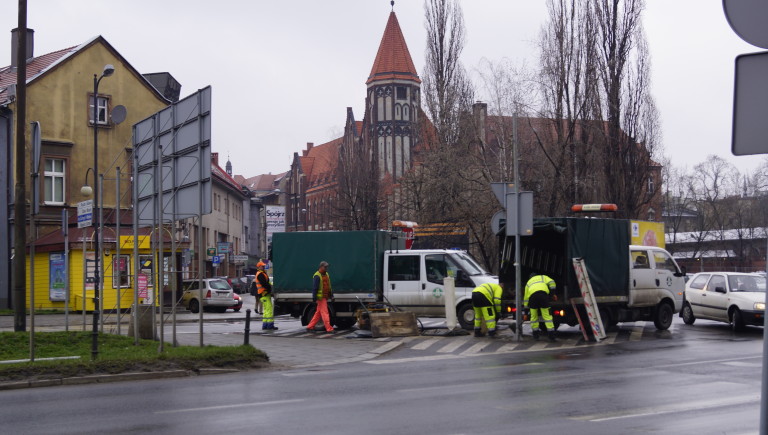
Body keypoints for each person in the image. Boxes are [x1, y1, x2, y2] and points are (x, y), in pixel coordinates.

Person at [524, 272, 557, 341]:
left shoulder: (528, 283)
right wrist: (552, 294)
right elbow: (552, 282)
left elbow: (526, 298)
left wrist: (526, 313)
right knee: (547, 316)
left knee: (534, 316)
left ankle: (535, 335)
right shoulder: (543, 277)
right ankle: (551, 335)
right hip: (543, 296)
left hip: (533, 298)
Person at [307, 261, 335, 333]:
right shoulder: (317, 275)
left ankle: (310, 327)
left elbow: (329, 286)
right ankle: (329, 328)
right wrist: (314, 297)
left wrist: (331, 295)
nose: (326, 268)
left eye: (327, 267)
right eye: (325, 267)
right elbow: (315, 288)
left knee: (318, 313)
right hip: (321, 298)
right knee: (325, 313)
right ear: (321, 267)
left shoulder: (326, 274)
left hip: (324, 297)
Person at [255, 261, 277, 330]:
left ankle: (265, 325)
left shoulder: (262, 273)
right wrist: (270, 289)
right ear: (259, 267)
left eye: (264, 266)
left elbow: (266, 283)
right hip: (264, 294)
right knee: (269, 309)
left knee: (266, 310)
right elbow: (264, 284)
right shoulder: (260, 274)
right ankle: (270, 325)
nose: (263, 267)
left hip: (263, 294)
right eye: (262, 266)